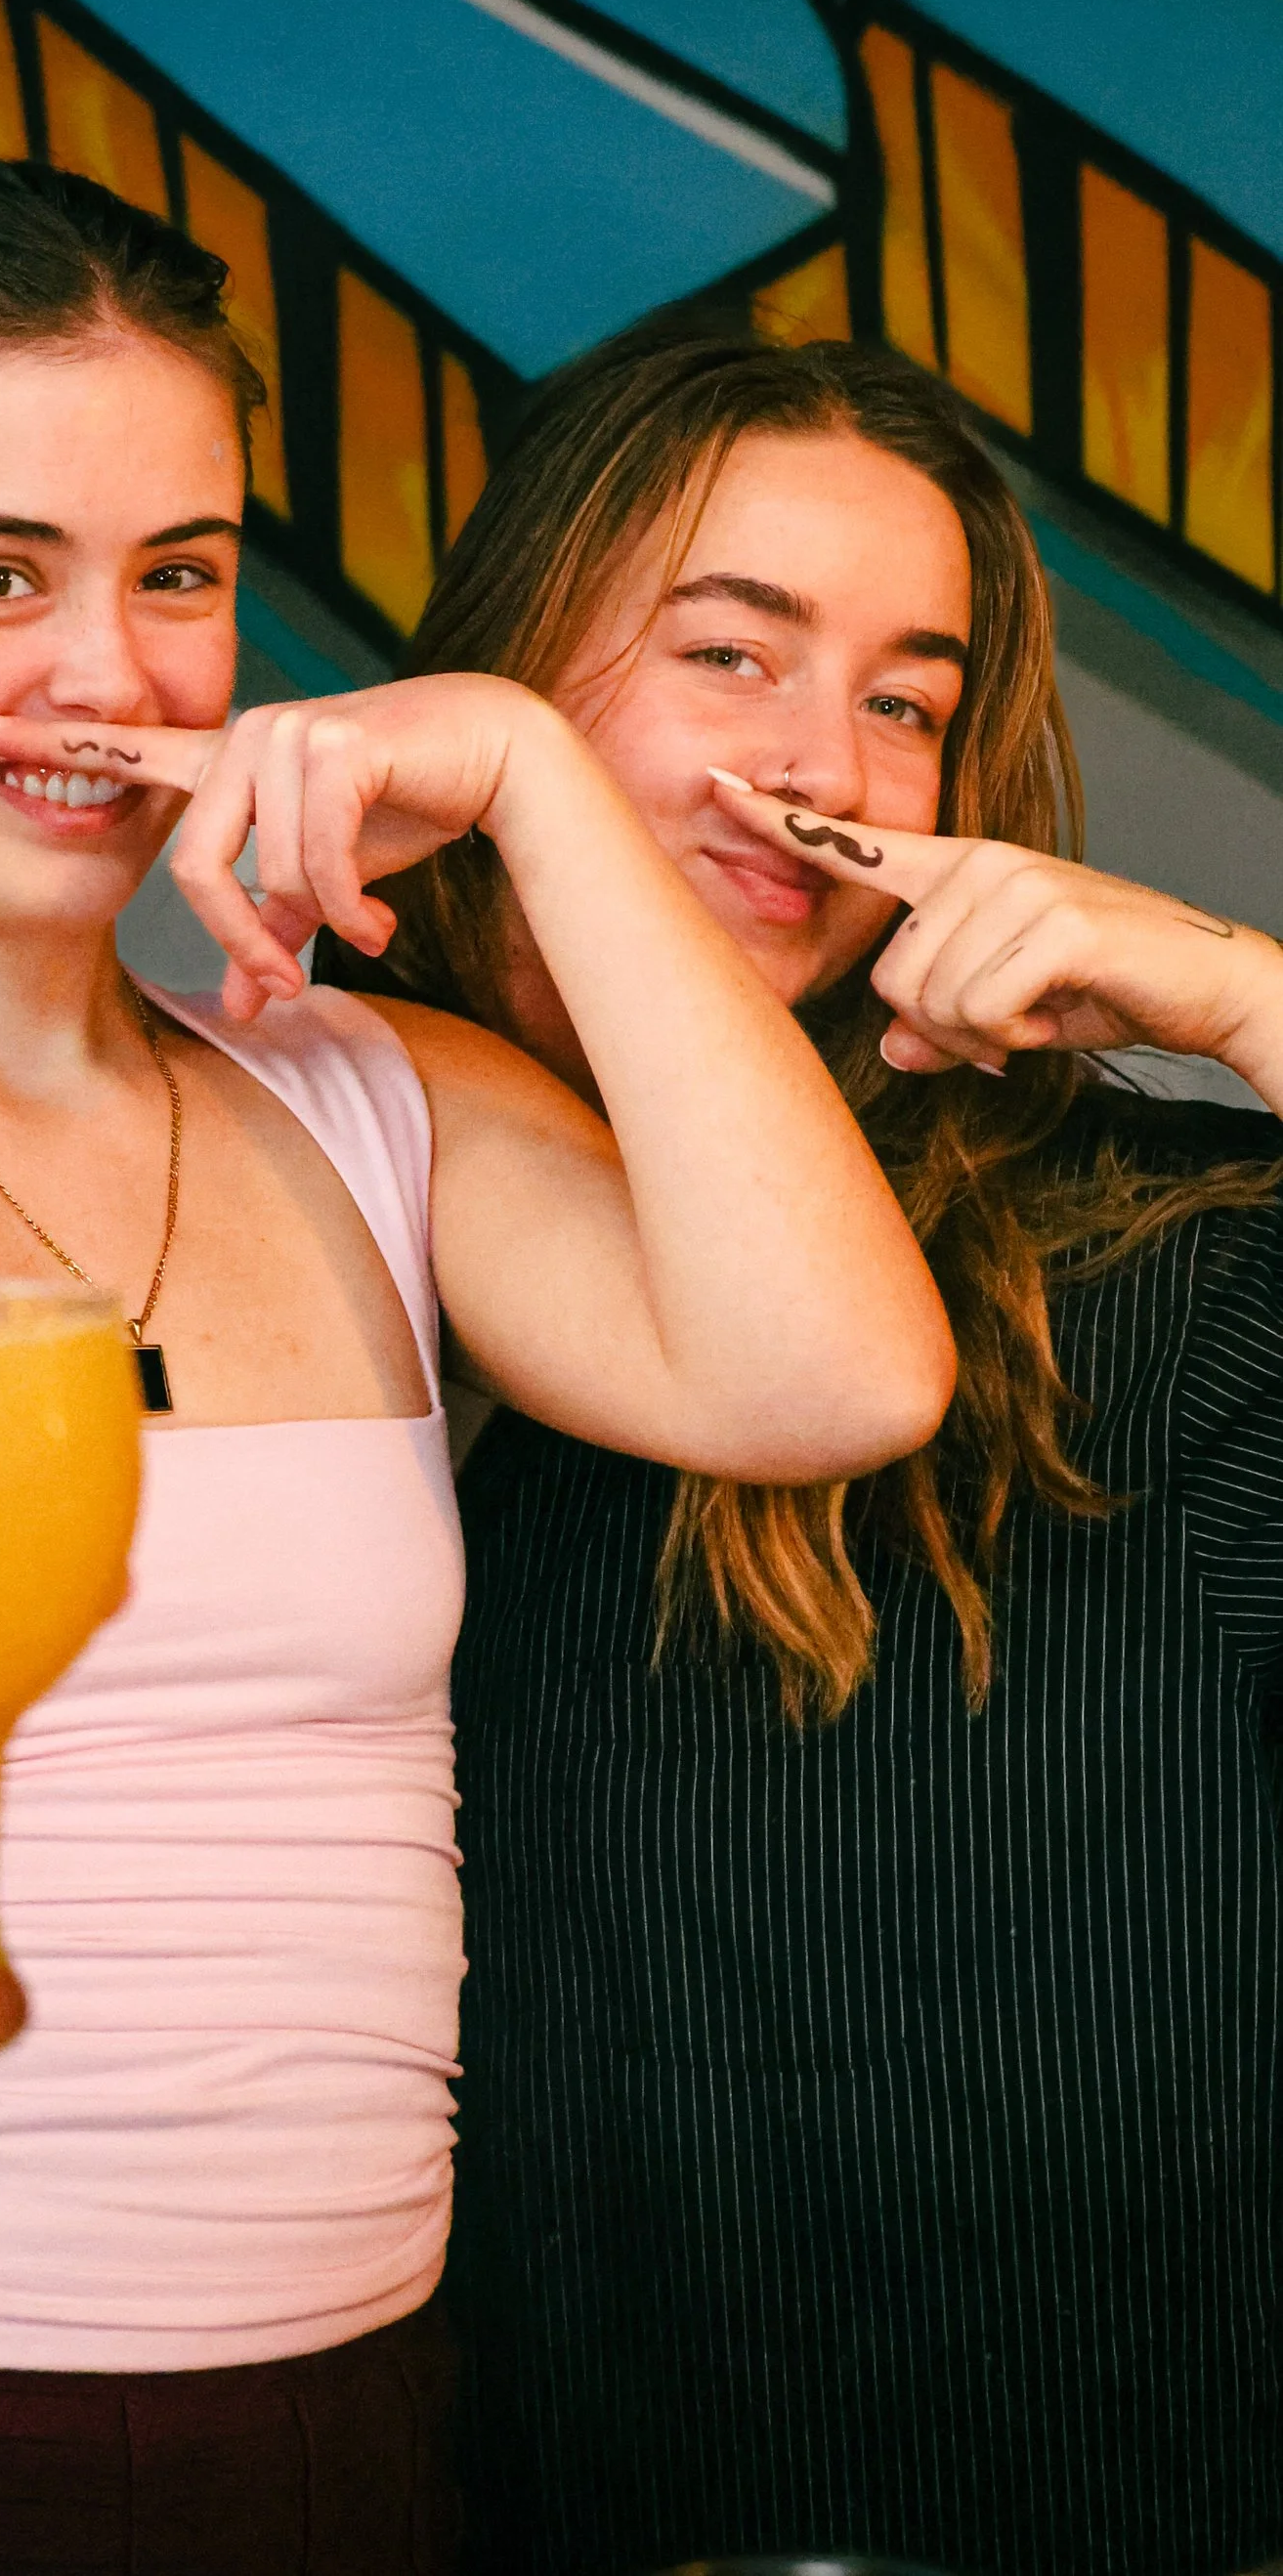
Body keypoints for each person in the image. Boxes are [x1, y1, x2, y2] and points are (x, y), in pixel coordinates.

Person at [0, 154, 953, 2575]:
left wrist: (528, 773)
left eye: (179, 575)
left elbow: (830, 1374)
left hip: (325, 2450)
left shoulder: (375, 1097)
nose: (107, 676)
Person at [322, 324, 1283, 2576]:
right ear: (497, 680)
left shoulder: (1157, 1277)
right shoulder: (292, 1202)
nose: (818, 765)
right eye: (728, 651)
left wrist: (1249, 993)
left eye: (902, 700)